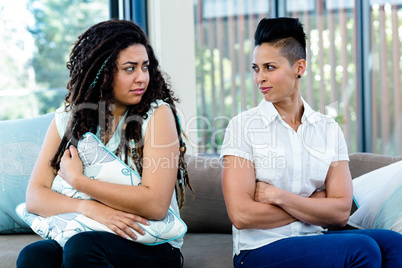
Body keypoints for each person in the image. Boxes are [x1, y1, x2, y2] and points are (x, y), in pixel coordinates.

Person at [220, 17, 402, 268]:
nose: (259, 78)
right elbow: (241, 215)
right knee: (362, 249)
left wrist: (278, 196)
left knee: (394, 243)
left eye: (269, 67)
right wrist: (314, 205)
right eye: (256, 68)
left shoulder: (328, 129)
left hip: (315, 238)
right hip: (259, 250)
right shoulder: (243, 127)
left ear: (299, 67)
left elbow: (339, 214)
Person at [17, 19, 191, 268]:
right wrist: (90, 208)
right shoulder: (68, 119)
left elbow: (155, 205)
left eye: (145, 67)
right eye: (129, 69)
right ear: (103, 71)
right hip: (90, 227)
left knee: (83, 248)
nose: (142, 77)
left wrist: (80, 182)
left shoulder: (157, 114)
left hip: (150, 241)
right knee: (34, 255)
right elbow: (35, 197)